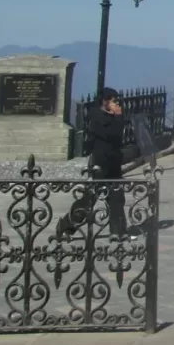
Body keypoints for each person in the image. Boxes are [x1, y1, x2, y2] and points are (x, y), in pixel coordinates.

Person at [57, 87, 129, 239]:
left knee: (117, 197)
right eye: (112, 100)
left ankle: (118, 231)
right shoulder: (96, 116)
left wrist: (118, 116)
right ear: (105, 101)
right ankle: (66, 226)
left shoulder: (113, 116)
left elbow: (119, 136)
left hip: (114, 162)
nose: (116, 104)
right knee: (89, 199)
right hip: (100, 162)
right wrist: (117, 117)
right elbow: (112, 134)